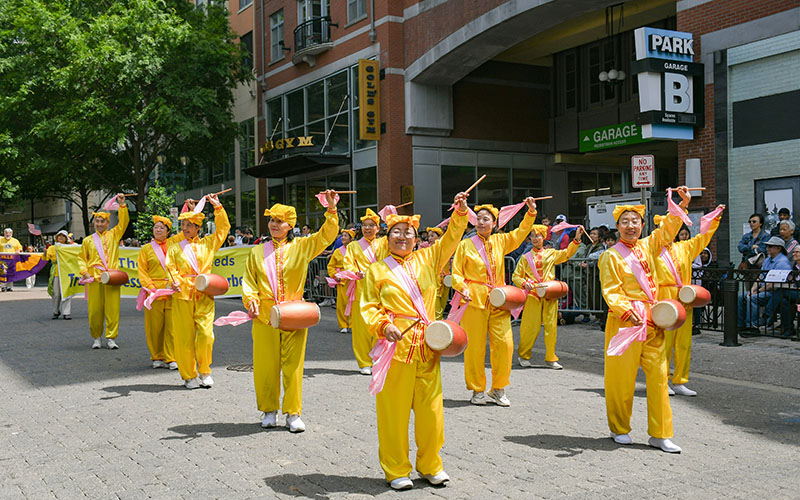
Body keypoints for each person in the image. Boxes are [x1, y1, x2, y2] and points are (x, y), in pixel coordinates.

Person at [361, 192, 469, 490]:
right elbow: (369, 307)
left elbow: (450, 239)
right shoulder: (377, 270)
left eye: (408, 232)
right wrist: (383, 326)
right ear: (388, 237)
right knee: (393, 414)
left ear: (416, 237)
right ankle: (396, 469)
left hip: (427, 347)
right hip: (395, 350)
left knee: (431, 413)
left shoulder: (429, 258)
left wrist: (460, 214)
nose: (402, 236)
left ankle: (430, 465)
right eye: (396, 232)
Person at [598, 186, 690, 453]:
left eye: (635, 222)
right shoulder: (610, 255)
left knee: (660, 377)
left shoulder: (649, 245)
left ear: (642, 224)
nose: (630, 226)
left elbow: (668, 230)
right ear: (617, 226)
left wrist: (681, 206)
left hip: (653, 319)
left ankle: (660, 433)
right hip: (625, 322)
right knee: (621, 379)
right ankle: (619, 428)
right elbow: (611, 291)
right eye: (625, 222)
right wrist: (629, 312)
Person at [243, 191, 339, 432]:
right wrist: (250, 299)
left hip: (294, 314)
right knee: (265, 364)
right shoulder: (257, 251)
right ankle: (268, 410)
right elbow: (249, 281)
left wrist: (331, 210)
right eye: (272, 221)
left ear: (290, 225)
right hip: (264, 316)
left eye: (280, 221)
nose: (274, 225)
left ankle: (293, 413)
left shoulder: (302, 246)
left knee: (294, 366)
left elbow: (327, 235)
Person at [451, 198, 537, 407]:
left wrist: (531, 213)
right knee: (475, 348)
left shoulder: (501, 241)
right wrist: (462, 288)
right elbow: (457, 273)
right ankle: (477, 389)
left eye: (486, 219)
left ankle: (498, 388)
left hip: (499, 300)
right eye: (478, 219)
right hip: (474, 301)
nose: (481, 223)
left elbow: (521, 232)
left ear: (494, 223)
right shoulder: (465, 245)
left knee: (505, 345)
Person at [653, 204, 724, 398]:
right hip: (663, 297)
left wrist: (714, 219)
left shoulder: (685, 247)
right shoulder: (652, 249)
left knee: (684, 342)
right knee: (664, 343)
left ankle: (680, 380)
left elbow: (704, 238)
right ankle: (662, 380)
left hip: (684, 297)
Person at [166, 194, 230, 389]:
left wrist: (218, 208)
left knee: (205, 335)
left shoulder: (208, 244)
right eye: (183, 226)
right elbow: (171, 268)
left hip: (204, 295)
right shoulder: (175, 248)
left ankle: (205, 370)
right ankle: (188, 375)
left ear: (198, 228)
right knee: (184, 337)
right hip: (182, 296)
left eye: (190, 226)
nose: (185, 229)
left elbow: (223, 230)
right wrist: (175, 281)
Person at [513, 224, 583, 369]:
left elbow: (566, 254)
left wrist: (576, 239)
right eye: (532, 236)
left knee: (551, 327)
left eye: (537, 235)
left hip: (550, 294)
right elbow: (516, 276)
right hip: (533, 295)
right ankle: (524, 355)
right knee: (529, 327)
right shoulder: (525, 258)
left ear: (544, 237)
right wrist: (524, 283)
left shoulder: (551, 254)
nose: (534, 238)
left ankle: (551, 358)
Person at [78, 195, 129, 349]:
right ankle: (96, 337)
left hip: (111, 278)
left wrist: (122, 205)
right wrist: (84, 272)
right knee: (95, 310)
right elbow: (81, 258)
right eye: (97, 221)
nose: (99, 224)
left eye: (102, 221)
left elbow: (124, 222)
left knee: (113, 309)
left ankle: (111, 338)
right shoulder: (87, 240)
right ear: (94, 223)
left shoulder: (114, 235)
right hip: (94, 278)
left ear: (107, 223)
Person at [344, 209, 389, 375]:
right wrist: (356, 273)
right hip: (361, 291)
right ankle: (364, 361)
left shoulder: (384, 243)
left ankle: (379, 358)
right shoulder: (354, 246)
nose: (367, 228)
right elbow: (348, 264)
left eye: (371, 225)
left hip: (382, 292)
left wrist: (390, 216)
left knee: (381, 326)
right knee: (361, 330)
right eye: (364, 225)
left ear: (378, 228)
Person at [138, 215, 184, 370]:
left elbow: (186, 230)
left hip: (172, 290)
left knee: (172, 327)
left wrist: (190, 210)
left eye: (162, 228)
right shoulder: (146, 249)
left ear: (168, 232)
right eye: (156, 227)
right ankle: (157, 356)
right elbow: (142, 271)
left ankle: (171, 358)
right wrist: (150, 287)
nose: (158, 230)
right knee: (154, 327)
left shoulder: (173, 243)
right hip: (154, 292)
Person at [738, 236, 793, 329]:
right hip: (764, 290)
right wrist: (753, 289)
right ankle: (740, 325)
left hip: (775, 292)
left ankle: (751, 326)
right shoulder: (767, 259)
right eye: (767, 246)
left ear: (779, 248)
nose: (767, 248)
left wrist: (758, 291)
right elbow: (760, 277)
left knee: (753, 298)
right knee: (741, 296)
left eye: (770, 246)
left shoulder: (782, 262)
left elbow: (773, 284)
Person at [328, 228, 355, 334]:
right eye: (342, 235)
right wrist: (335, 275)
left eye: (345, 236)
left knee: (353, 303)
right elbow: (331, 266)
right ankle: (343, 325)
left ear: (351, 239)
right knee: (342, 304)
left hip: (353, 280)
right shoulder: (338, 251)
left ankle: (353, 324)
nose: (343, 238)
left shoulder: (355, 251)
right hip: (342, 281)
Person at [46, 230, 73, 319]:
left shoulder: (70, 247)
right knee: (56, 293)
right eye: (59, 236)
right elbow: (45, 259)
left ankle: (66, 312)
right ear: (56, 237)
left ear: (66, 238)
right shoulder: (52, 248)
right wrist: (44, 253)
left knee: (67, 293)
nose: (61, 237)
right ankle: (56, 311)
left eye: (63, 236)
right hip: (56, 272)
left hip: (67, 272)